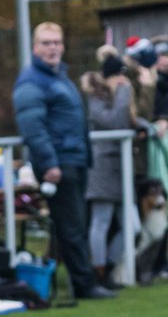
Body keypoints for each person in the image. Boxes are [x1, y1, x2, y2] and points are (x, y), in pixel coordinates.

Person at [14, 23, 114, 300]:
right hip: (59, 163)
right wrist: (49, 163)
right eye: (46, 43)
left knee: (74, 225)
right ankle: (85, 286)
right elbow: (32, 126)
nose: (53, 48)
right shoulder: (32, 81)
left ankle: (69, 283)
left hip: (76, 159)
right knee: (71, 226)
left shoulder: (61, 77)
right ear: (35, 47)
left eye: (57, 42)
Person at [81, 49, 135, 287]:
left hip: (121, 166)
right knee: (100, 221)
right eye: (119, 77)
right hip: (102, 165)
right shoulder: (97, 97)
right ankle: (98, 271)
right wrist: (124, 93)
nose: (123, 81)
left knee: (132, 226)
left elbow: (128, 120)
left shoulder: (115, 95)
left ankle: (110, 264)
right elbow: (115, 121)